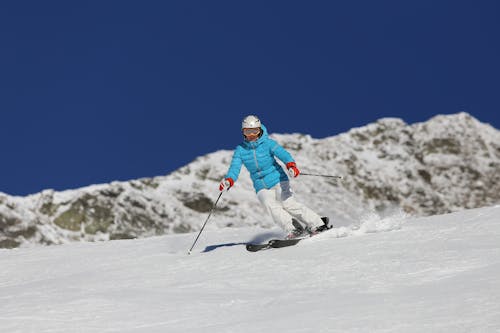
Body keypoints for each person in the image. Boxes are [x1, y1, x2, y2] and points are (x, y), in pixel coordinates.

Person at [219, 115, 327, 239]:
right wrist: (229, 180)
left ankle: (318, 224)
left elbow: (283, 154)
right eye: (248, 131)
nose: (252, 135)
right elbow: (234, 167)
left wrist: (291, 165)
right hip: (260, 185)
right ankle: (293, 228)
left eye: (255, 131)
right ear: (243, 132)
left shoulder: (268, 143)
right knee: (269, 205)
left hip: (278, 179)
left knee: (287, 203)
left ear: (260, 130)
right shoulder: (240, 150)